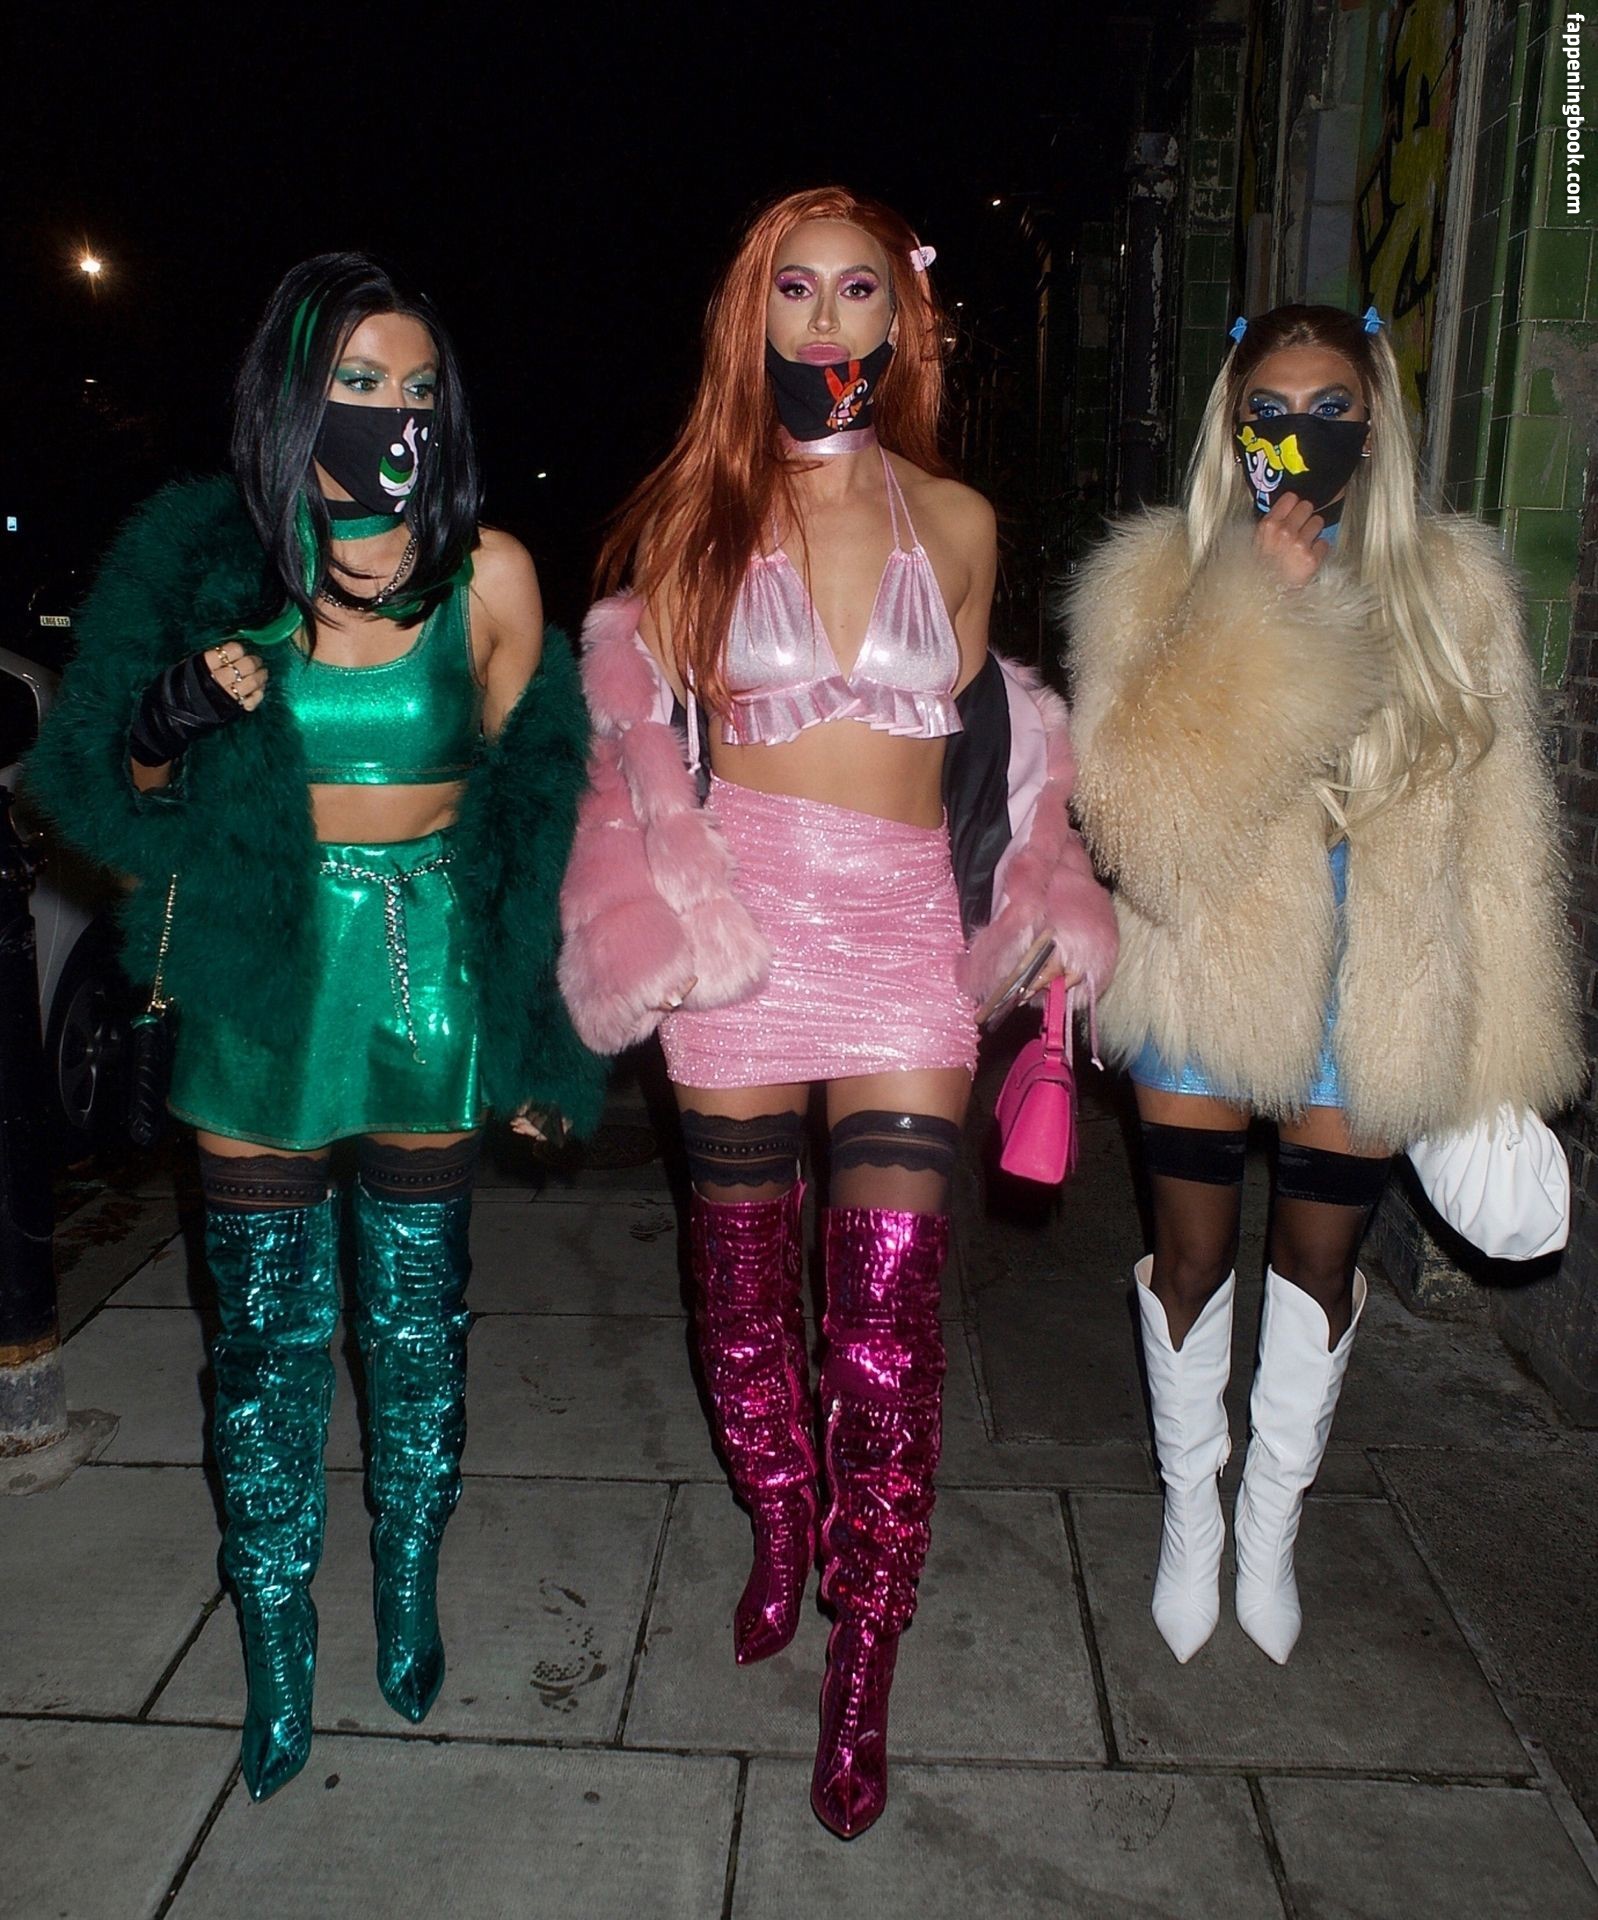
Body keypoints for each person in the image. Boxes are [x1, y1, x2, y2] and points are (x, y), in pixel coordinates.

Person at [557, 187, 1118, 1837]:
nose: (823, 318)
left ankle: (866, 1639)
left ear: (899, 317)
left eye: (854, 288)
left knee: (883, 1319)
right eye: (791, 289)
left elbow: (987, 752)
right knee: (738, 1298)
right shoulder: (690, 519)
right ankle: (781, 1520)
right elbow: (633, 758)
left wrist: (1041, 892)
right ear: (755, 320)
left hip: (896, 936)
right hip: (741, 934)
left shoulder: (959, 520)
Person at [26, 252, 603, 1799]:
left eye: (416, 389)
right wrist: (160, 728)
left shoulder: (487, 577)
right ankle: (277, 1634)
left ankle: (407, 1581)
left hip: (422, 973)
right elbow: (98, 792)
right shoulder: (205, 564)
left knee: (416, 1329)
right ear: (291, 399)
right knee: (266, 1344)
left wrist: (540, 1035)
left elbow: (537, 817)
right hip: (260, 972)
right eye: (357, 384)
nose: (392, 416)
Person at [1064, 303, 1580, 1668]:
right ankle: (1192, 1512)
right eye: (1272, 414)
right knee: (1189, 1255)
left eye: (1332, 410)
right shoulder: (1156, 580)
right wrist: (1252, 611)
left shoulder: (1453, 589)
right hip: (1203, 961)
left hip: (1377, 984)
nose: (1302, 438)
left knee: (1318, 1258)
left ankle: (1270, 1522)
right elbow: (1133, 822)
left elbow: (1503, 842)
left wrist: (1491, 1037)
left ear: (1375, 419)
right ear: (1232, 427)